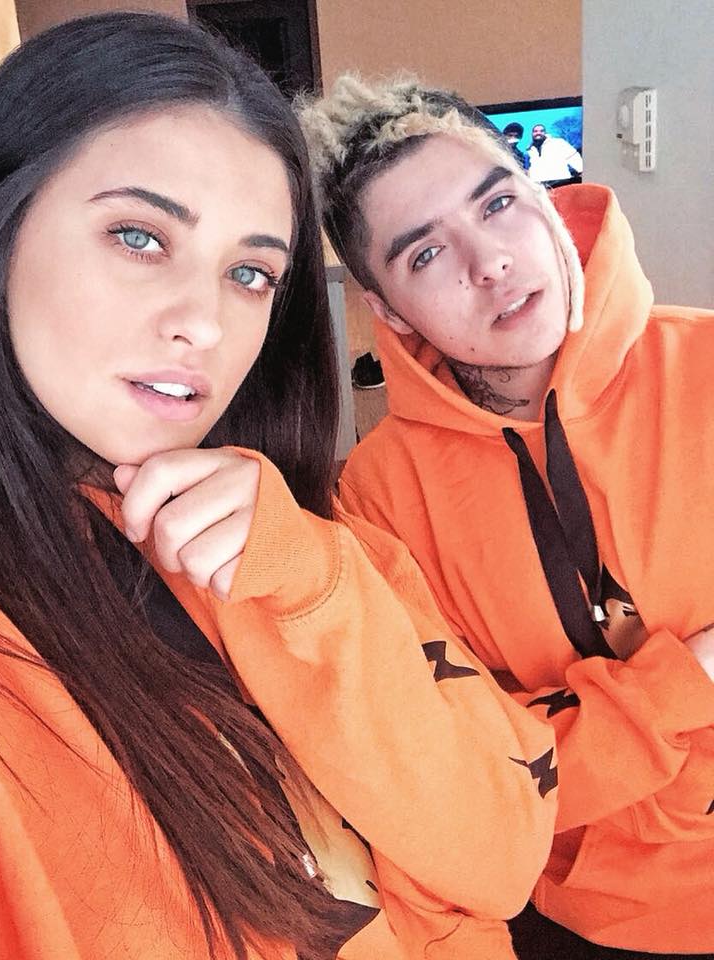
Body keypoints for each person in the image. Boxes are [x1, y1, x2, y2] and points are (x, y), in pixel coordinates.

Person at [0, 16, 558, 960]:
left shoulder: (317, 538)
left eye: (249, 272)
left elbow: (502, 857)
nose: (204, 322)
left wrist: (310, 585)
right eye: (139, 236)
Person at [299, 74, 714, 959]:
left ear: (546, 201)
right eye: (425, 254)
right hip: (572, 914)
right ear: (387, 310)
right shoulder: (378, 499)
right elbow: (472, 773)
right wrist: (692, 680)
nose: (488, 262)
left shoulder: (706, 365)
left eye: (497, 205)